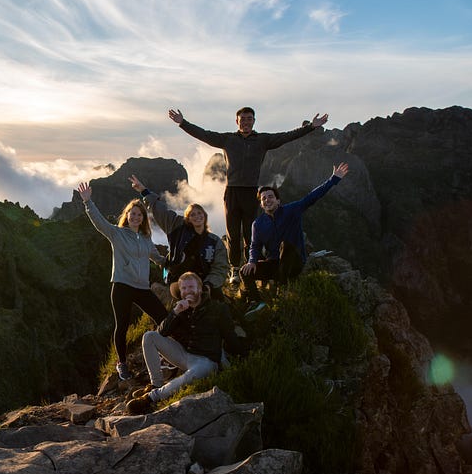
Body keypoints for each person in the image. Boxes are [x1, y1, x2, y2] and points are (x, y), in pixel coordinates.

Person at [168, 107, 329, 286]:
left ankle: (253, 265)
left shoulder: (262, 140)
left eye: (249, 119)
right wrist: (183, 123)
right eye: (242, 119)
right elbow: (204, 134)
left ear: (254, 121)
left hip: (251, 192)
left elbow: (285, 136)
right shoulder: (227, 139)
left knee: (249, 233)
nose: (246, 122)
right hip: (232, 192)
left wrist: (311, 127)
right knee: (232, 232)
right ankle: (235, 269)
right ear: (237, 121)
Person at [77, 182, 169, 381]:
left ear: (143, 218)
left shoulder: (146, 239)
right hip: (122, 286)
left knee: (163, 317)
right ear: (126, 216)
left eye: (139, 214)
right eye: (132, 213)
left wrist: (174, 259)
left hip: (142, 287)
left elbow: (158, 259)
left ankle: (165, 354)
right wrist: (87, 202)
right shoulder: (117, 234)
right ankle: (122, 364)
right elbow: (99, 222)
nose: (135, 217)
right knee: (122, 325)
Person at [240, 163, 349, 318]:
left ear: (278, 201)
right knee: (244, 271)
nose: (267, 200)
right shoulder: (257, 224)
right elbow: (255, 246)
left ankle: (281, 291)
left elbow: (312, 197)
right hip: (275, 265)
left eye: (271, 197)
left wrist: (333, 179)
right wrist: (251, 261)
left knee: (286, 246)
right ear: (261, 204)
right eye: (264, 199)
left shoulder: (292, 210)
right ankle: (258, 302)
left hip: (294, 262)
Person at [126, 271, 239, 415]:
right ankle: (156, 384)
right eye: (184, 288)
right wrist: (175, 312)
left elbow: (230, 336)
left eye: (191, 287)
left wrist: (243, 356)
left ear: (199, 288)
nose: (187, 291)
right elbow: (162, 332)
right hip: (184, 355)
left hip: (206, 361)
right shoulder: (181, 308)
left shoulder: (217, 308)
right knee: (149, 336)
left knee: (192, 374)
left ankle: (150, 398)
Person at [128, 174, 228, 299]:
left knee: (217, 305)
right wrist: (144, 191)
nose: (197, 216)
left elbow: (220, 267)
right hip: (178, 281)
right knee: (188, 297)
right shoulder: (177, 228)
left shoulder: (214, 241)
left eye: (199, 213)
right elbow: (160, 211)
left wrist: (209, 284)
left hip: (204, 283)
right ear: (187, 218)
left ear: (205, 216)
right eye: (192, 214)